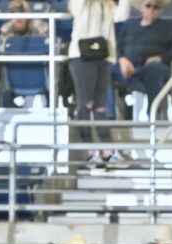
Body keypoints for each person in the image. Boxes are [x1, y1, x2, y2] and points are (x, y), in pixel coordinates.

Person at [67, 0, 129, 165]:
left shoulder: (107, 3)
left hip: (104, 55)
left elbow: (121, 16)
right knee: (86, 103)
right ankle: (89, 150)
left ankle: (107, 150)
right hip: (82, 56)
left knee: (100, 106)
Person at [115, 0, 172, 118]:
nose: (152, 10)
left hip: (154, 67)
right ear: (141, 7)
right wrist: (122, 60)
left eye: (156, 7)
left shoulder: (169, 26)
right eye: (148, 5)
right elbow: (117, 49)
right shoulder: (129, 25)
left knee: (154, 69)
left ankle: (153, 112)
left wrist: (160, 58)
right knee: (107, 69)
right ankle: (107, 115)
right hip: (127, 67)